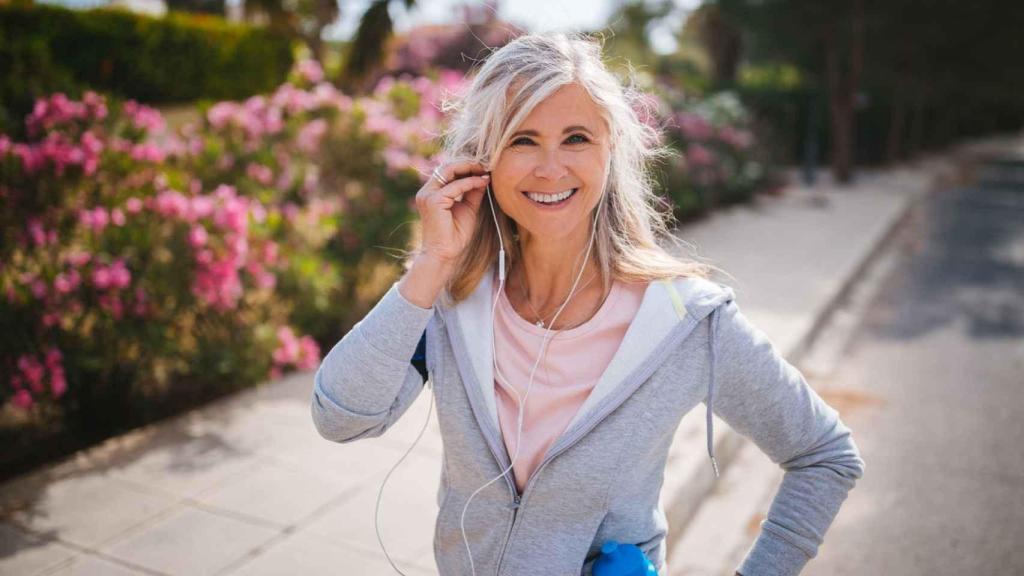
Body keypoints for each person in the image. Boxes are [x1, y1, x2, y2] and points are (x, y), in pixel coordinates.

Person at [311, 31, 865, 576]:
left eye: (576, 138)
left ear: (610, 150)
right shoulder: (455, 299)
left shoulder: (686, 322)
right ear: (483, 159)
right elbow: (339, 419)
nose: (551, 168)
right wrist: (431, 263)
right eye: (522, 139)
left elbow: (825, 456)